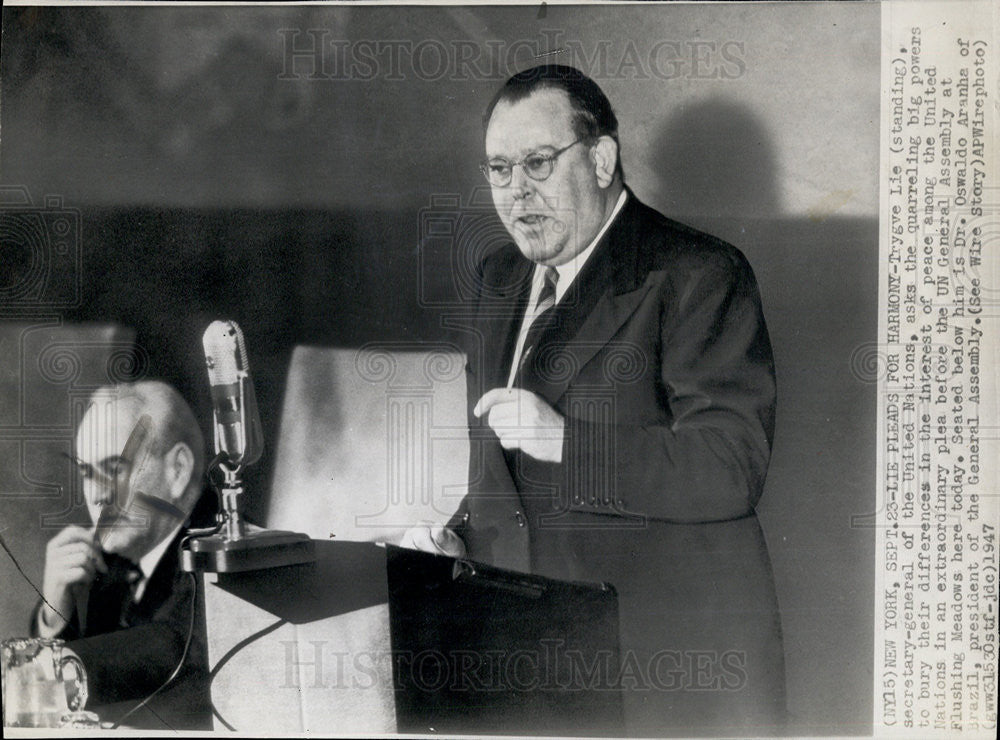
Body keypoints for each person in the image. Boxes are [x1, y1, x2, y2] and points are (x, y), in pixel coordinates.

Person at [402, 65, 785, 735]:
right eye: (498, 170)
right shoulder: (498, 279)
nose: (517, 193)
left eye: (539, 163)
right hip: (528, 657)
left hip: (664, 672)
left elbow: (730, 466)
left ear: (602, 159)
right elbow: (506, 469)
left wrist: (566, 441)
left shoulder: (700, 274)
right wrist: (458, 534)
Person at [32, 380, 209, 710]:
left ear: (179, 470)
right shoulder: (108, 562)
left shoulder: (221, 554)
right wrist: (54, 615)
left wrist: (40, 669)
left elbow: (176, 647)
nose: (99, 495)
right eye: (87, 473)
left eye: (115, 469)